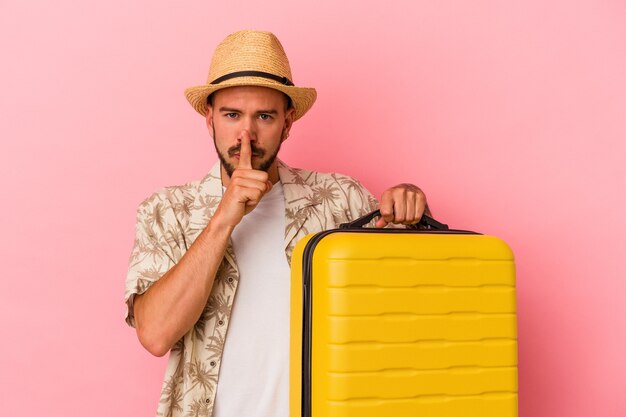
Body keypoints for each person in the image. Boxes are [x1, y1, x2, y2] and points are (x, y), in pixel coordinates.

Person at [124, 30, 430, 417]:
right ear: (210, 120)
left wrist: (409, 203)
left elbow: (410, 298)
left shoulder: (341, 198)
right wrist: (225, 217)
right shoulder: (166, 210)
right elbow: (155, 334)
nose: (245, 134)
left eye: (264, 116)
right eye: (232, 115)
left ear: (287, 123)